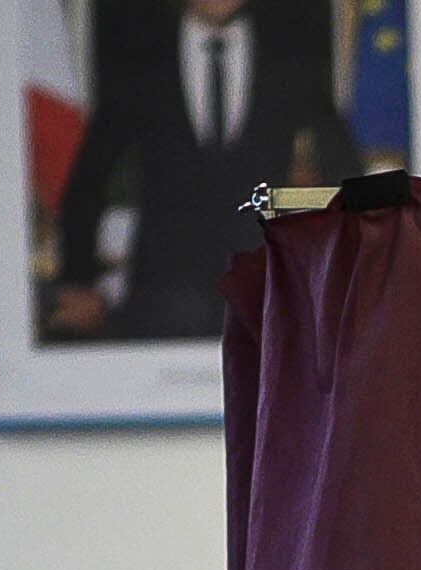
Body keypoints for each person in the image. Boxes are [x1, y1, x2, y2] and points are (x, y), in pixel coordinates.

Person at [46, 0, 363, 346]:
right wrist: (78, 283)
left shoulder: (288, 56)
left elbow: (344, 170)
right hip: (164, 299)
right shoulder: (141, 60)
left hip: (269, 294)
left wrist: (357, 267)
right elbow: (91, 176)